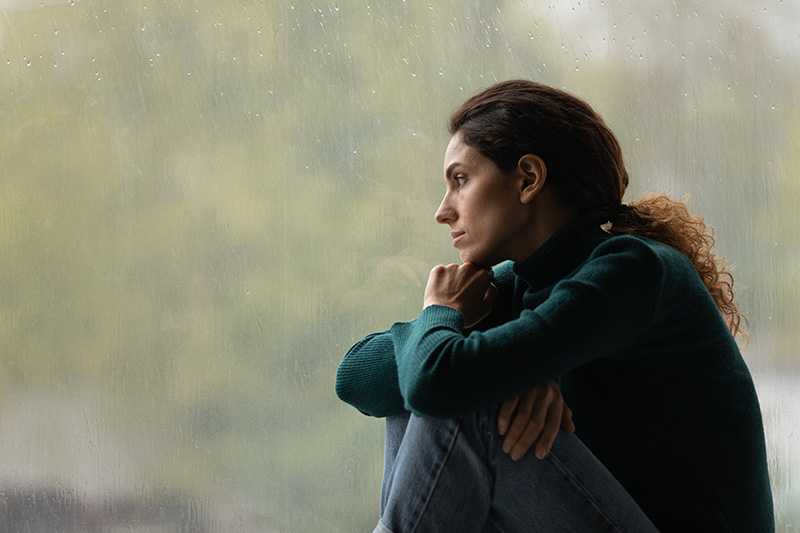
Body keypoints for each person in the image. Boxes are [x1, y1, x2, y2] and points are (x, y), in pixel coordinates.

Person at [335, 79, 774, 532]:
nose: (442, 210)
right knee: (421, 381)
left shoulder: (633, 271)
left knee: (455, 389)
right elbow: (355, 377)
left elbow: (439, 383)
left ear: (528, 178)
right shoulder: (513, 286)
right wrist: (460, 329)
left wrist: (444, 323)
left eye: (460, 180)